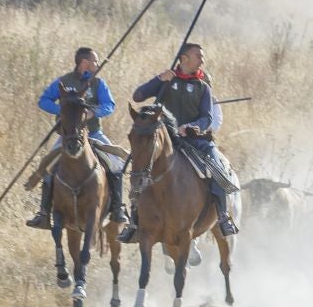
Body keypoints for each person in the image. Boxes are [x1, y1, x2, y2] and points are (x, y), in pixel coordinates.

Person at [125, 42, 237, 239]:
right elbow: (138, 95)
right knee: (138, 166)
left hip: (196, 141)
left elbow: (207, 118)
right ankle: (134, 219)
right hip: (166, 139)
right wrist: (159, 79)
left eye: (202, 57)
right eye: (198, 56)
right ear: (184, 58)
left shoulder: (203, 87)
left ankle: (223, 216)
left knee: (218, 170)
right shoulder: (167, 79)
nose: (202, 60)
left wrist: (193, 127)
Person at [27, 47, 126, 229]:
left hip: (94, 134)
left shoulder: (98, 84)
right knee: (48, 168)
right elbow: (44, 101)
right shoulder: (63, 82)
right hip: (67, 136)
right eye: (95, 61)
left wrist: (92, 112)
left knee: (116, 164)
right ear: (85, 63)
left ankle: (119, 209)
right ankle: (43, 213)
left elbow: (109, 105)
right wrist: (63, 112)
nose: (97, 64)